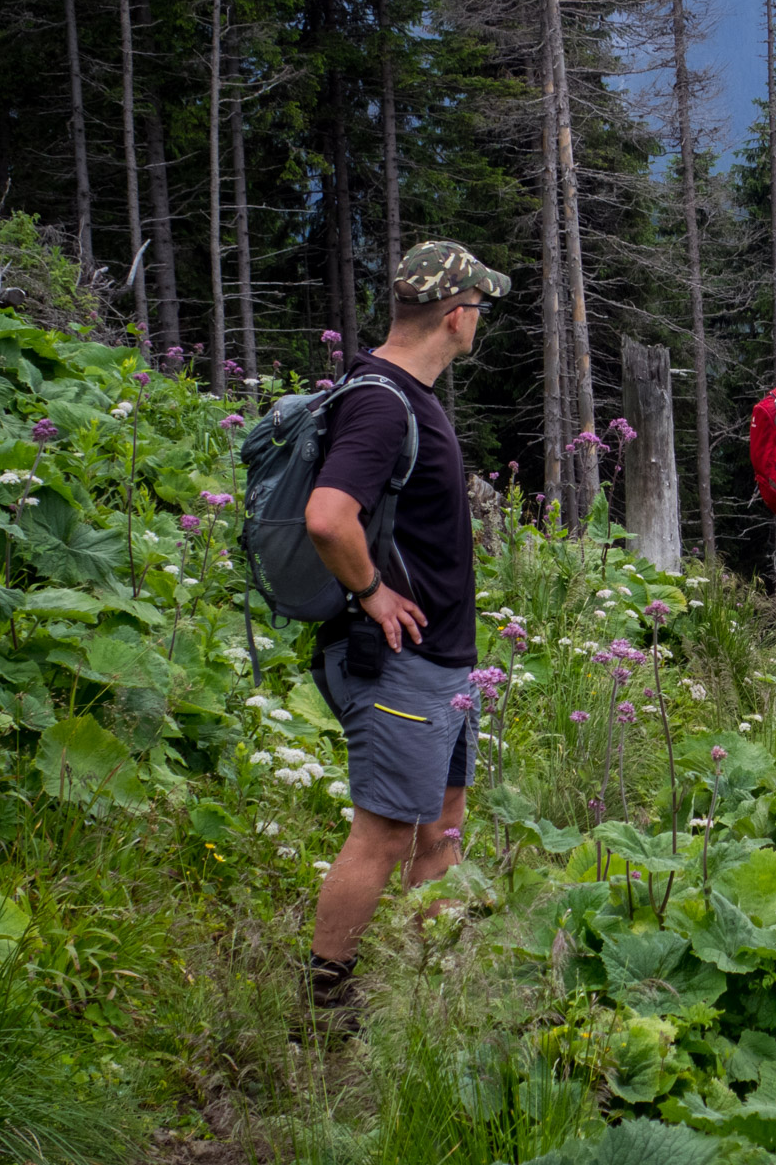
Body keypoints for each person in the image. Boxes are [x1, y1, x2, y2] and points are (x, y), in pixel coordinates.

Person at [300, 240, 507, 1027]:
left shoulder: (403, 393)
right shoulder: (383, 401)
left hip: (444, 661)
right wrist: (374, 594)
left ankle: (435, 998)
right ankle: (323, 1007)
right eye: (479, 308)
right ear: (456, 315)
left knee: (441, 830)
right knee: (385, 833)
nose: (477, 321)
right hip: (399, 660)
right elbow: (328, 516)